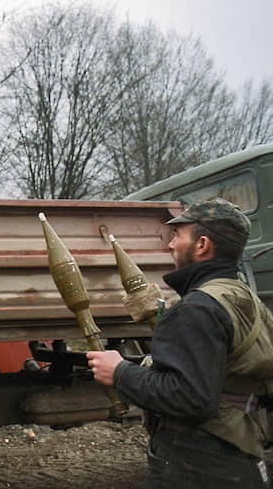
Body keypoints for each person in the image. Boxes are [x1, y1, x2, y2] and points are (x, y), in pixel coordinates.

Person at [87, 198, 273, 489]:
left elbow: (191, 397)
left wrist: (121, 372)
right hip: (242, 456)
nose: (170, 245)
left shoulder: (198, 308)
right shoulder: (244, 298)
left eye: (178, 236)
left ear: (202, 245)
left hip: (198, 462)